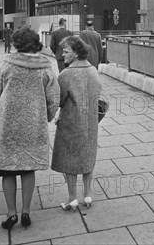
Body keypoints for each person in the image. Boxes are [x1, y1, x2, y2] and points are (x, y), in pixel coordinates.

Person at [0, 27, 60, 230]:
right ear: (36, 43)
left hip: (7, 125)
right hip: (33, 124)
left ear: (16, 43)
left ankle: (11, 213)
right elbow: (54, 96)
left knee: (8, 170)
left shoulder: (7, 65)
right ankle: (26, 212)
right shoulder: (44, 67)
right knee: (28, 168)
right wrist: (47, 115)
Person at [51, 36, 102, 211]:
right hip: (90, 122)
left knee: (69, 160)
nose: (61, 54)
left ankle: (72, 198)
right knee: (88, 157)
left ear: (76, 53)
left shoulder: (66, 74)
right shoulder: (93, 70)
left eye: (66, 51)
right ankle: (87, 195)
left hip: (71, 122)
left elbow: (59, 100)